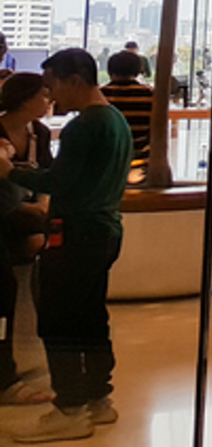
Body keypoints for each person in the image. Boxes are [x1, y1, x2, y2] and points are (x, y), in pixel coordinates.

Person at [1, 49, 133, 442]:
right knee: (91, 317)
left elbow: (60, 182)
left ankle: (70, 407)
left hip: (76, 233)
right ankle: (97, 397)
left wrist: (10, 171)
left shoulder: (83, 127)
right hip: (105, 231)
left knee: (59, 322)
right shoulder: (114, 120)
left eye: (54, 84)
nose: (52, 94)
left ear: (75, 80)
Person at [0, 74, 54, 407]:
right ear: (25, 98)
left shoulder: (40, 133)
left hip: (21, 214)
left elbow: (48, 176)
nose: (50, 100)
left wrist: (41, 206)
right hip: (9, 215)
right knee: (4, 289)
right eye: (44, 94)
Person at [100, 51, 154, 165]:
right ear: (138, 71)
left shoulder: (101, 95)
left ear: (110, 71)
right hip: (140, 154)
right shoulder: (149, 94)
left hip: (108, 156)